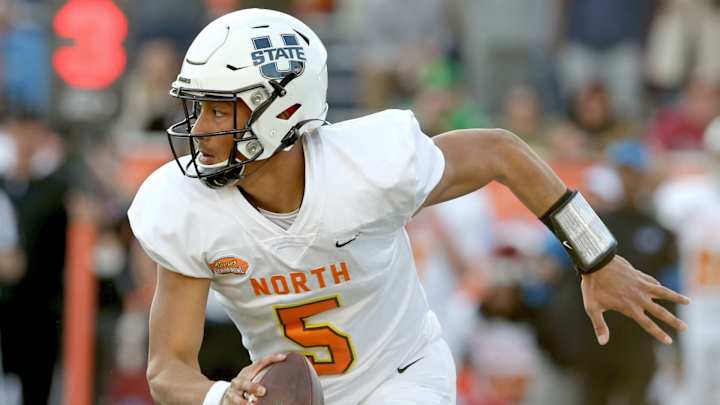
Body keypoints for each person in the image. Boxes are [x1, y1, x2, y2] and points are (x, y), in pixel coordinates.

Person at [127, 9, 690, 405]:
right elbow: (168, 368)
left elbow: (501, 151)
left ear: (281, 110)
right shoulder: (187, 206)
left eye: (218, 110)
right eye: (197, 108)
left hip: (402, 377)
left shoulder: (367, 167)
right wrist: (222, 398)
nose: (198, 129)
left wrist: (596, 256)